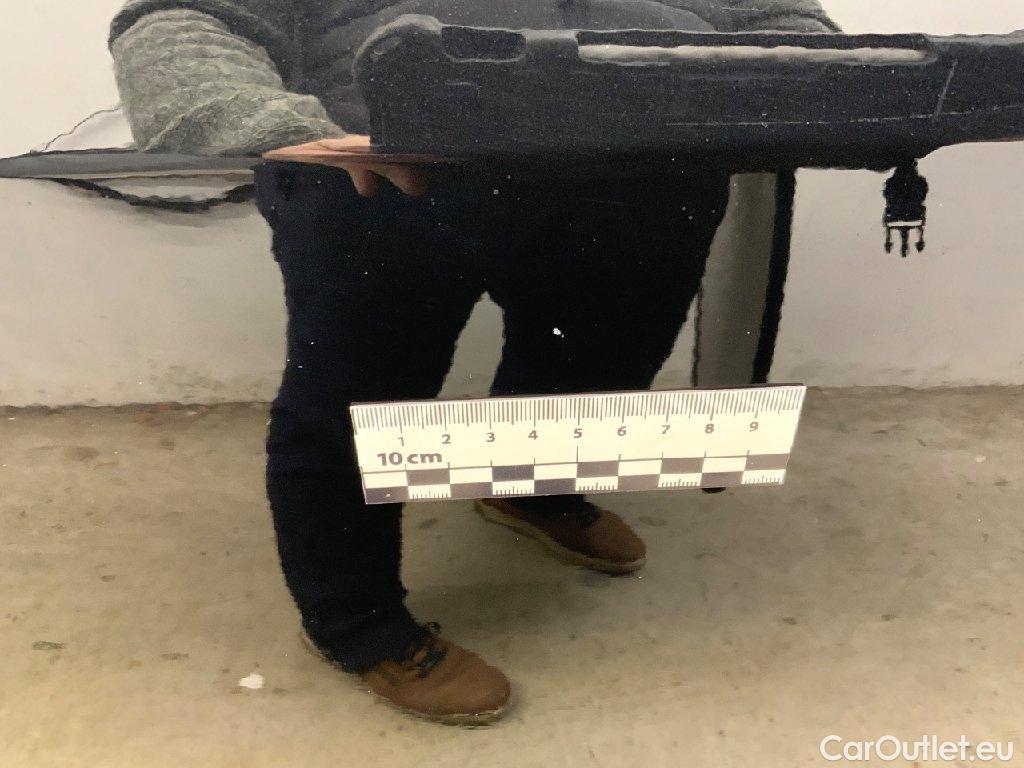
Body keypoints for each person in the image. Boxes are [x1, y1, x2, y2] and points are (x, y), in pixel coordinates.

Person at [109, 0, 837, 724]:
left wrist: (818, 93)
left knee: (605, 360)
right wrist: (277, 127)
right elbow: (185, 16)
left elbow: (779, 19)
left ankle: (527, 490)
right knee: (359, 410)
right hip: (380, 173)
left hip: (650, 172)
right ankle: (353, 624)